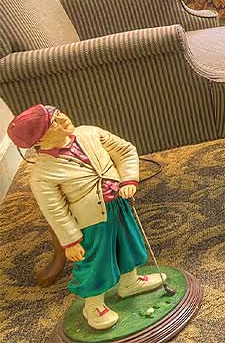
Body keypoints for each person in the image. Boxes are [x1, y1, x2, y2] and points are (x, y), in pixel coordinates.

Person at [7, 105, 165, 330]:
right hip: (91, 221)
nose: (63, 120)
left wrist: (129, 179)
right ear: (39, 139)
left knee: (128, 245)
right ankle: (93, 306)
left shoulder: (89, 132)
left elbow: (125, 150)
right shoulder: (42, 174)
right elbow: (55, 210)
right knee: (96, 261)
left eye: (59, 114)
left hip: (118, 206)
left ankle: (129, 282)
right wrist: (69, 241)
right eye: (54, 123)